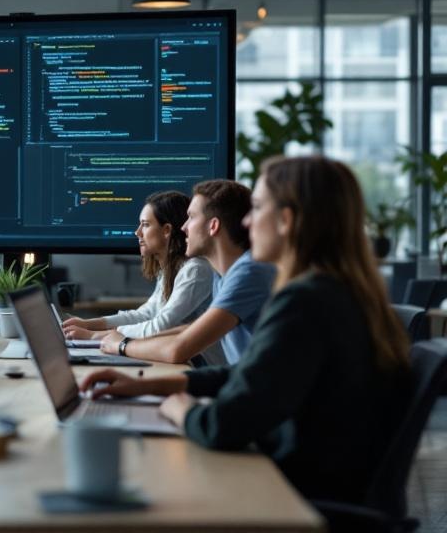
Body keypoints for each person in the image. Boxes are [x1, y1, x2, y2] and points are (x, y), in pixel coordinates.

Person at [80, 156, 410, 504]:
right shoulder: (331, 292)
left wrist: (180, 408)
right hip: (312, 480)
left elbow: (224, 423)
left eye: (256, 208)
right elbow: (252, 374)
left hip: (299, 498)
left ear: (285, 220)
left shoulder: (304, 302)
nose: (248, 222)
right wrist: (149, 385)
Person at [94, 180, 276, 365]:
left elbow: (178, 350)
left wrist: (122, 345)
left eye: (191, 217)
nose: (183, 227)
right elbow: (189, 329)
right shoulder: (221, 276)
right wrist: (114, 337)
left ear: (213, 226)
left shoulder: (248, 273)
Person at [62, 191, 213, 340]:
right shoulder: (170, 269)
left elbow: (160, 326)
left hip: (199, 363)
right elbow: (146, 314)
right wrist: (88, 324)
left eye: (145, 225)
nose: (138, 232)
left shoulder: (195, 270)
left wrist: (95, 335)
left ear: (167, 230)